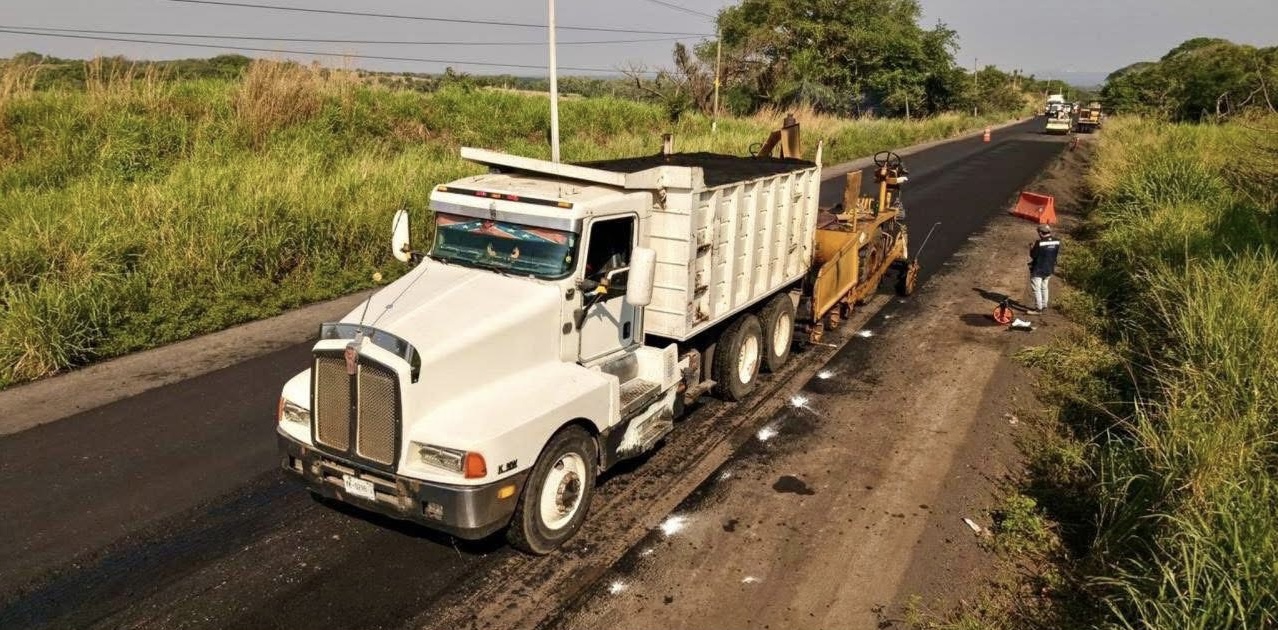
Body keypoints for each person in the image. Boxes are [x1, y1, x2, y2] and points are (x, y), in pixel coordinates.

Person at [1026, 224, 1060, 315]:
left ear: (1041, 233)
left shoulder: (1039, 243)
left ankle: (1038, 309)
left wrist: (1031, 248)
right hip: (1049, 268)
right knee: (1044, 287)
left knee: (1036, 289)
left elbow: (1033, 255)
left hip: (1038, 269)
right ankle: (1044, 305)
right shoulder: (1057, 241)